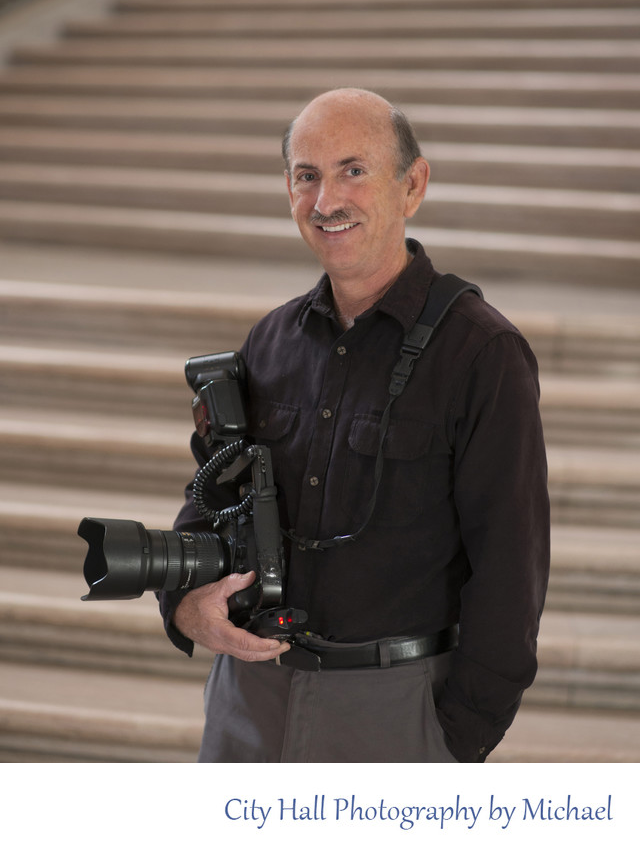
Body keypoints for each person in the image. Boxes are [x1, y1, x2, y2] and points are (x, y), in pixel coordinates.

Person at [158, 88, 550, 763]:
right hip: (246, 703)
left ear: (413, 185)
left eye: (353, 171)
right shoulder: (269, 342)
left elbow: (512, 570)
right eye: (306, 177)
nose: (326, 201)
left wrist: (454, 739)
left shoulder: (482, 354)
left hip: (397, 714)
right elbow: (212, 497)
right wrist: (184, 604)